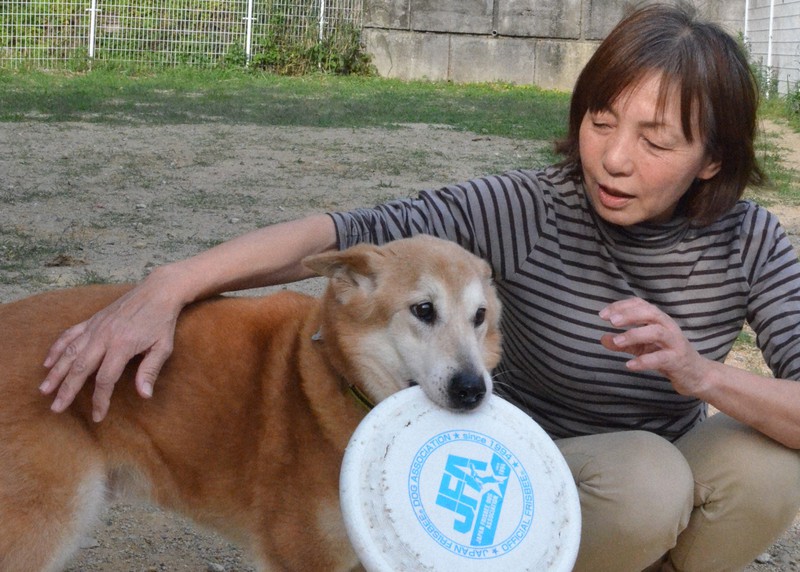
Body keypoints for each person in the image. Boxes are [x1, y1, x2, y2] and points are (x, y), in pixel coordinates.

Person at [39, 2, 800, 571]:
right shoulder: (531, 208)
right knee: (648, 483)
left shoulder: (753, 242)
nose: (614, 159)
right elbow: (338, 235)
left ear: (711, 158)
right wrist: (169, 286)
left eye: (656, 139)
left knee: (768, 467)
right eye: (601, 121)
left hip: (654, 459)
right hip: (512, 464)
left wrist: (700, 375)